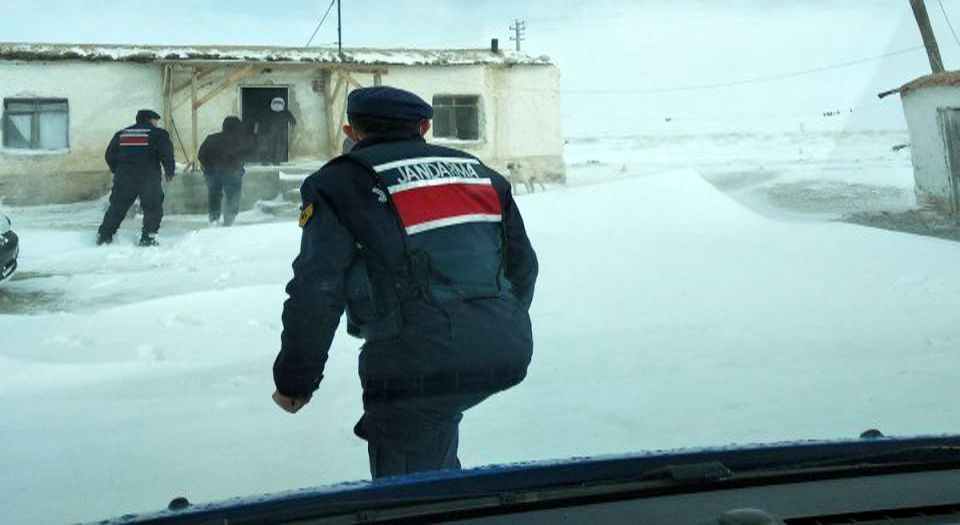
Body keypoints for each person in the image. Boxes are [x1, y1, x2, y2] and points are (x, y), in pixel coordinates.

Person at [271, 86, 538, 479]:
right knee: (433, 443)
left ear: (351, 131)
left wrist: (295, 380)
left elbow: (317, 288)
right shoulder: (481, 174)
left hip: (412, 364)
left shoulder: (339, 183)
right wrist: (490, 323)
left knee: (411, 490)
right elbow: (524, 266)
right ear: (425, 126)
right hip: (505, 346)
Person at [97, 109, 175, 246]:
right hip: (148, 178)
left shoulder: (122, 134)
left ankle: (105, 236)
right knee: (152, 208)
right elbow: (166, 153)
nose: (156, 123)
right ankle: (148, 237)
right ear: (151, 120)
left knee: (117, 207)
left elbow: (109, 155)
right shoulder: (158, 134)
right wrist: (170, 171)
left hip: (124, 178)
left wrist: (118, 170)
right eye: (156, 121)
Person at [198, 116, 254, 226]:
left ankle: (214, 219)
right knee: (233, 196)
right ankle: (230, 219)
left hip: (212, 173)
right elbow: (248, 155)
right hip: (232, 173)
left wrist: (208, 166)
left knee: (214, 195)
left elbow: (201, 155)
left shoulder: (211, 139)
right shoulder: (240, 141)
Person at [258, 97, 297, 165]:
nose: (277, 105)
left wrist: (293, 132)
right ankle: (267, 161)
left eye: (279, 103)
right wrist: (261, 132)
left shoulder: (286, 112)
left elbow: (293, 123)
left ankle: (276, 161)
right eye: (276, 103)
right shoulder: (268, 112)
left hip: (281, 132)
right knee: (269, 147)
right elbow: (261, 121)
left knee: (279, 147)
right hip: (270, 132)